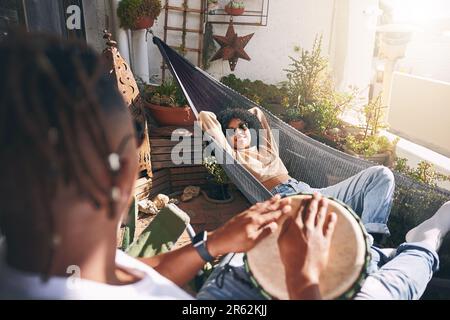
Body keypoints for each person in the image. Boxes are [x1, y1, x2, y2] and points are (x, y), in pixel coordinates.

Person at [1, 31, 448, 301]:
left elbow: (118, 280)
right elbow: (212, 127)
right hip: (272, 215)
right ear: (118, 175)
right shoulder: (237, 157)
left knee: (381, 179)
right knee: (381, 285)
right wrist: (304, 278)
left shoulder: (51, 257)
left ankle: (379, 242)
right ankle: (423, 242)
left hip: (285, 203)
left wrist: (210, 245)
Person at [199, 108, 396, 240]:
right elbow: (205, 117)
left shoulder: (266, 148)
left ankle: (372, 239)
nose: (239, 132)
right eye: (232, 130)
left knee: (381, 174)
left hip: (310, 191)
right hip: (290, 200)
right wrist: (227, 122)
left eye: (243, 127)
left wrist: (245, 117)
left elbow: (258, 114)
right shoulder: (232, 156)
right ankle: (369, 248)